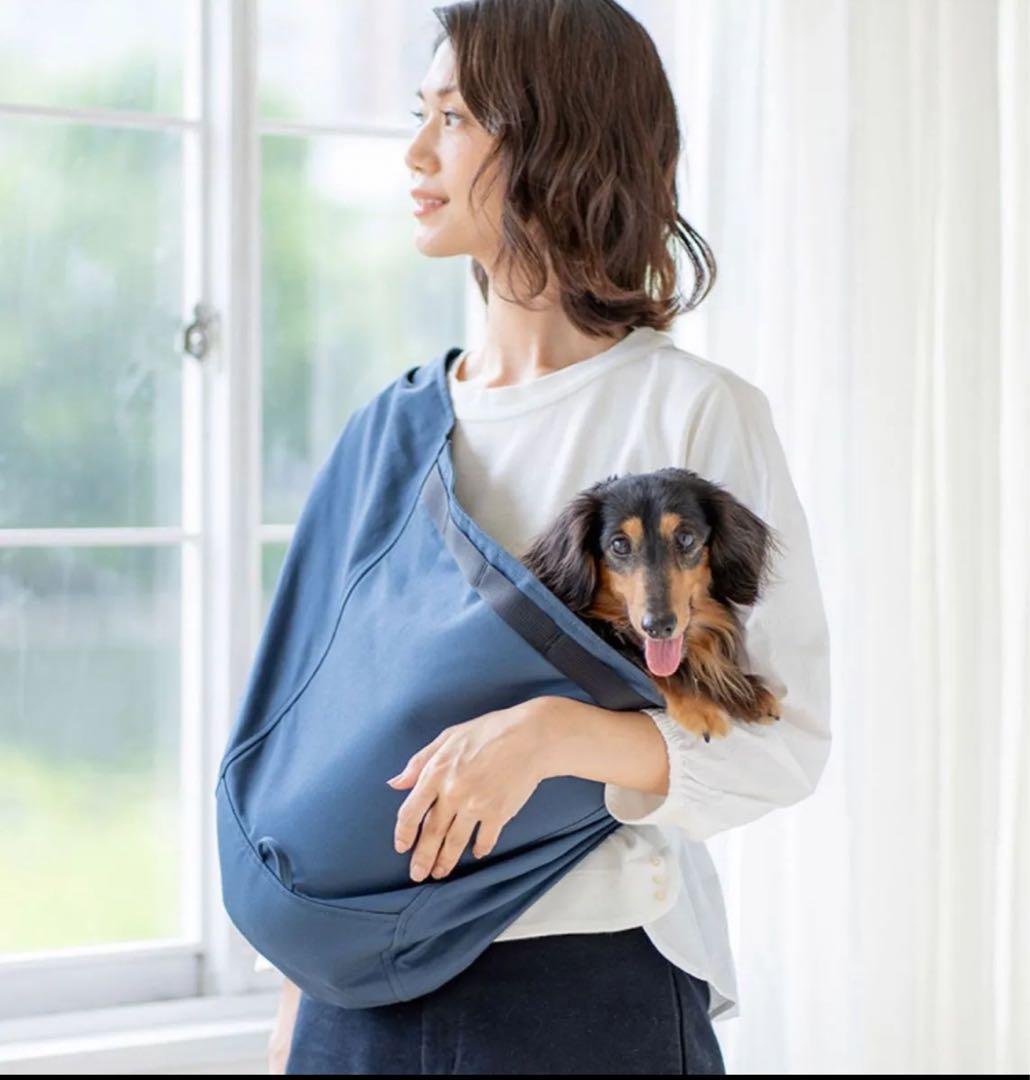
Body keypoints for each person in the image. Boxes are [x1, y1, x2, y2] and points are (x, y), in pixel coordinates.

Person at [269, 0, 832, 1073]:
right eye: (420, 113)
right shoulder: (391, 430)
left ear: (555, 141)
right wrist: (297, 1004)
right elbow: (318, 740)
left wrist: (549, 736)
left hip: (584, 986)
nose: (416, 152)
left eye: (454, 118)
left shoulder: (689, 414)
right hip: (355, 995)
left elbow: (782, 741)